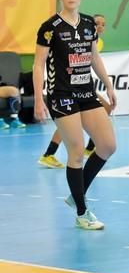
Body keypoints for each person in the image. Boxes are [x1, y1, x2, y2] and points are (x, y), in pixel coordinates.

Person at [33, 0, 117, 230]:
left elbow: (94, 57)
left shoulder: (90, 24)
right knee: (77, 151)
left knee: (107, 145)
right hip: (61, 95)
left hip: (86, 93)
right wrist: (39, 98)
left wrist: (109, 85)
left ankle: (76, 193)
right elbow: (38, 64)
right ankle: (82, 212)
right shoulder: (50, 27)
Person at [38, 13, 111, 169]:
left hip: (84, 85)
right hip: (67, 86)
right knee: (75, 120)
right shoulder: (70, 31)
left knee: (104, 109)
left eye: (103, 24)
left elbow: (93, 60)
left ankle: (89, 147)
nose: (100, 26)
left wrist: (107, 84)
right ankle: (51, 153)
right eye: (97, 23)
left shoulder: (97, 40)